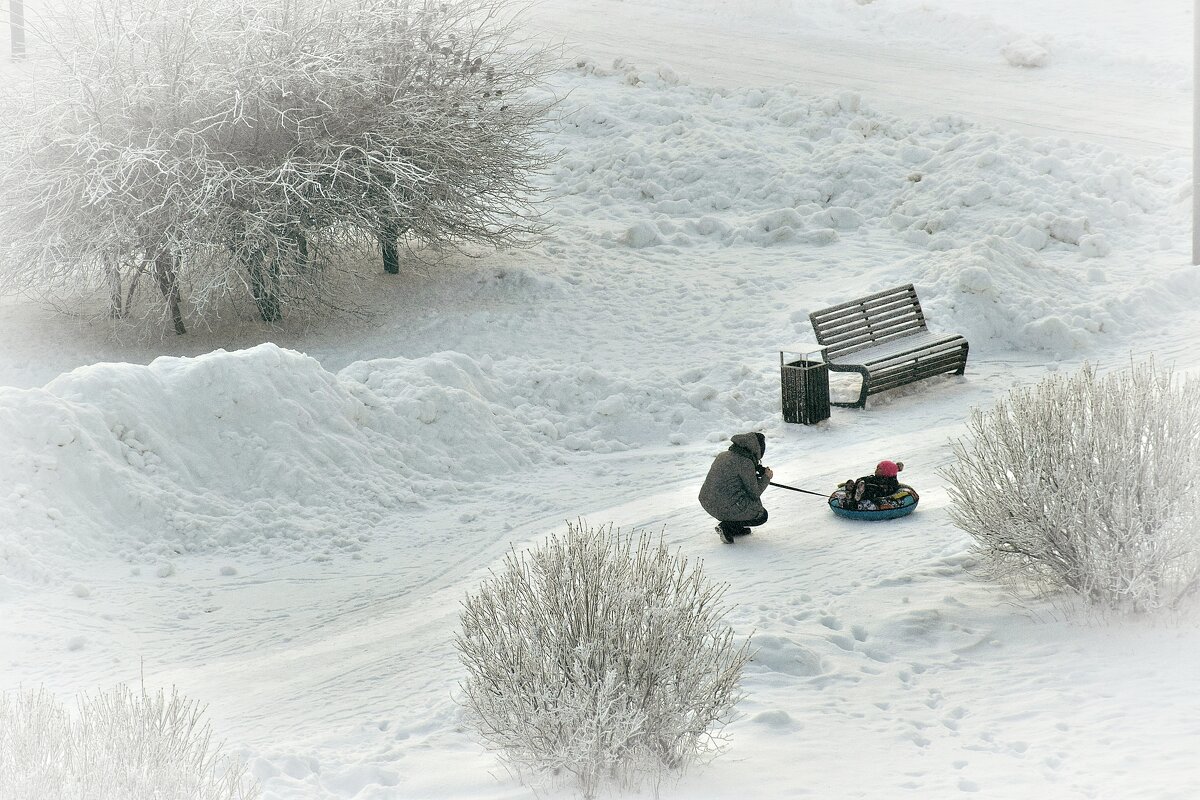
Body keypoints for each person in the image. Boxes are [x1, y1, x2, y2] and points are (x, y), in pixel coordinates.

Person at [699, 432, 772, 543]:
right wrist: (766, 477)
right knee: (762, 515)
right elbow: (755, 493)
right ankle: (727, 527)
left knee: (738, 499)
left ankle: (735, 528)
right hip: (724, 507)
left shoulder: (723, 455)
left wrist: (754, 470)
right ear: (757, 448)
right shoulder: (745, 463)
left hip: (707, 502)